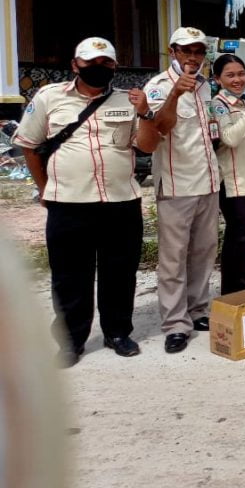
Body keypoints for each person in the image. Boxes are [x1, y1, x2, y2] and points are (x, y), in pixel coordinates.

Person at [14, 38, 155, 364]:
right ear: (75, 64)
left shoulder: (127, 100)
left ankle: (118, 332)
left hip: (120, 202)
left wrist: (145, 112)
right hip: (68, 204)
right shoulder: (49, 97)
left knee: (120, 273)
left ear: (114, 67)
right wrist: (46, 188)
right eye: (90, 62)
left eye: (106, 63)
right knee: (69, 276)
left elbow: (147, 147)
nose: (98, 68)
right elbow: (29, 145)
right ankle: (71, 341)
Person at [143, 27, 222, 354]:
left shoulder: (206, 86)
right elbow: (159, 128)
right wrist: (175, 93)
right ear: (172, 51)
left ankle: (198, 309)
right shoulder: (158, 87)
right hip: (177, 183)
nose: (193, 57)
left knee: (203, 250)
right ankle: (176, 323)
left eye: (198, 51)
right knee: (174, 257)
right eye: (186, 51)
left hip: (208, 180)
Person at [212, 54, 245, 295]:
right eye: (230, 75)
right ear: (217, 79)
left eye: (241, 73)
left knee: (240, 236)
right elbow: (230, 138)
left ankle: (233, 291)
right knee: (243, 236)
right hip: (232, 180)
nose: (237, 79)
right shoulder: (218, 104)